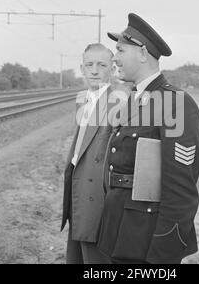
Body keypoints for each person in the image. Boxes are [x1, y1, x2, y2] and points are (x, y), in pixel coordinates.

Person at [97, 13, 199, 264]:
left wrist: (163, 255)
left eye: (120, 50)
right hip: (120, 229)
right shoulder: (134, 99)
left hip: (146, 239)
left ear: (143, 53)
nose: (115, 58)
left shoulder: (176, 103)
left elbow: (181, 192)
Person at [61, 43, 118, 264]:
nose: (94, 70)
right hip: (78, 195)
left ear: (112, 69)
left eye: (102, 65)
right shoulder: (86, 100)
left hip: (97, 202)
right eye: (89, 65)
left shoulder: (118, 104)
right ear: (82, 69)